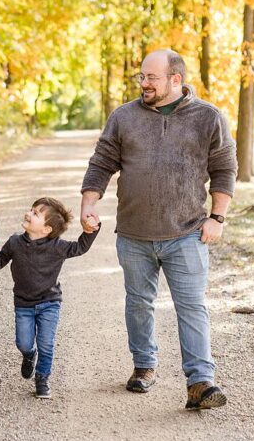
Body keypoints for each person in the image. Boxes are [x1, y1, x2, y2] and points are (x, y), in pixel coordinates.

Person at [80, 49, 237, 410]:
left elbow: (225, 168)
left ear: (176, 80)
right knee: (138, 303)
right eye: (142, 76)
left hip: (186, 233)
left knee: (192, 307)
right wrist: (89, 202)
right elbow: (102, 162)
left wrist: (217, 217)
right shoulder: (124, 117)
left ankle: (200, 382)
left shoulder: (208, 117)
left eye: (152, 77)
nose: (144, 83)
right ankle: (144, 365)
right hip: (134, 233)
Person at [0, 197, 99, 399]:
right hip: (23, 305)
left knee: (46, 343)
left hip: (49, 303)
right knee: (24, 343)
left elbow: (80, 247)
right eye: (31, 209)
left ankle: (42, 379)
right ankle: (29, 355)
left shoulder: (58, 246)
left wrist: (91, 230)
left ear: (47, 229)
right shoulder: (15, 242)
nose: (28, 213)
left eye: (36, 213)